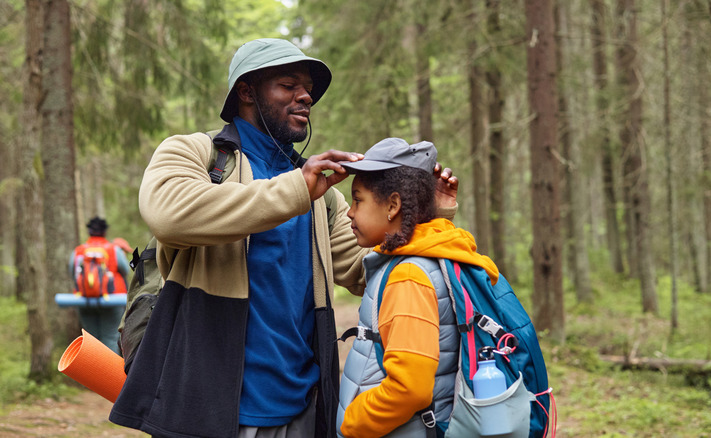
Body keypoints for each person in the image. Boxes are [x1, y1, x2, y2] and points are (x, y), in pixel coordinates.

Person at [109, 38, 458, 438]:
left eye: (307, 88)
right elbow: (168, 214)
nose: (305, 96)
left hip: (306, 408)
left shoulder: (321, 195)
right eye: (288, 85)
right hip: (210, 407)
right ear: (246, 92)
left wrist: (429, 214)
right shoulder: (197, 154)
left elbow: (369, 271)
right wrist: (296, 189)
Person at [336, 138, 498, 438]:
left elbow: (409, 389)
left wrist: (351, 420)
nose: (349, 212)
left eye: (357, 200)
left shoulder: (408, 276)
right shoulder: (432, 251)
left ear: (393, 205)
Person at [68, 216, 131, 354]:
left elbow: (73, 274)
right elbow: (125, 270)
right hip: (112, 300)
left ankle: (92, 373)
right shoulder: (114, 250)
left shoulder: (78, 251)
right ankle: (108, 375)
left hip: (85, 300)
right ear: (104, 232)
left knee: (90, 340)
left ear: (89, 232)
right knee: (110, 338)